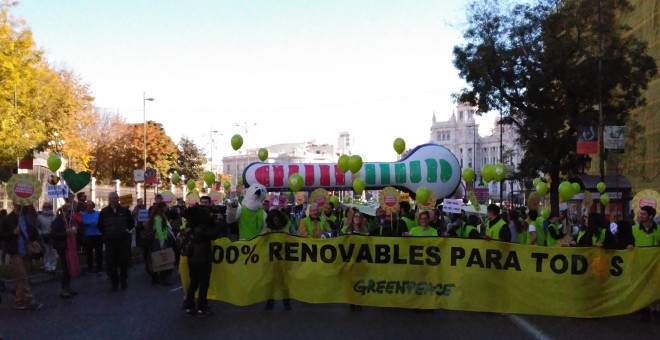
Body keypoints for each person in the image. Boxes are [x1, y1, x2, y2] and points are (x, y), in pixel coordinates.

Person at [182, 203, 222, 317]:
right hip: (203, 258)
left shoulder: (190, 226)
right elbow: (213, 235)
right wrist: (218, 224)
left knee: (193, 283)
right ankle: (202, 308)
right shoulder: (202, 227)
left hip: (192, 258)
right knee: (204, 283)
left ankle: (189, 306)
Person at [0, 204, 44, 310]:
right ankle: (30, 299)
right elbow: (2, 235)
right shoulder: (8, 219)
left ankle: (18, 299)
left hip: (27, 251)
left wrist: (40, 245)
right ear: (14, 204)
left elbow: (34, 233)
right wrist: (13, 233)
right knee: (23, 276)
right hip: (15, 251)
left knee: (24, 277)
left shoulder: (27, 217)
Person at [626, 206, 659, 322]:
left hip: (654, 265)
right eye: (640, 213)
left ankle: (655, 310)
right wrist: (629, 246)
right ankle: (644, 310)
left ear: (650, 216)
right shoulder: (634, 229)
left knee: (655, 287)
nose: (640, 216)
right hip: (639, 264)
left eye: (644, 214)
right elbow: (628, 242)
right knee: (641, 287)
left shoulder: (658, 230)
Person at [98, 192, 134, 291]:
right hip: (110, 242)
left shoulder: (124, 210)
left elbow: (131, 222)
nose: (114, 200)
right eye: (112, 198)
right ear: (109, 199)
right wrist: (105, 235)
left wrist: (127, 231)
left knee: (123, 262)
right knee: (111, 263)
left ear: (118, 199)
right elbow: (100, 225)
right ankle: (114, 282)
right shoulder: (104, 211)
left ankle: (123, 280)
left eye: (116, 198)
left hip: (123, 241)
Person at [263, 209, 292, 311]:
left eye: (277, 220)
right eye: (274, 220)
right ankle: (270, 302)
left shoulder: (287, 225)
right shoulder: (269, 228)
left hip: (284, 259)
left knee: (284, 281)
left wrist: (289, 235)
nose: (276, 222)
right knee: (271, 281)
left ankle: (286, 302)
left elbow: (294, 236)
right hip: (272, 259)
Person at [51, 204, 79, 298]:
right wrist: (65, 233)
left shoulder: (69, 220)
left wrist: (75, 230)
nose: (71, 213)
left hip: (70, 246)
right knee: (66, 268)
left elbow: (75, 227)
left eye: (71, 211)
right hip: (63, 247)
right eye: (68, 211)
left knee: (70, 267)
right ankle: (63, 288)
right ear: (63, 211)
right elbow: (54, 235)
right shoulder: (58, 221)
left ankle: (67, 286)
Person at [144, 202, 173, 285]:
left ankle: (155, 278)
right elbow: (159, 231)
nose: (167, 208)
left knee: (158, 259)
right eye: (165, 207)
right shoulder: (159, 217)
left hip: (160, 240)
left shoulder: (160, 216)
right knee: (162, 259)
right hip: (160, 240)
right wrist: (162, 243)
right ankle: (162, 279)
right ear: (162, 207)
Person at [81, 201, 103, 274]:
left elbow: (98, 222)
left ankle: (99, 269)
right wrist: (93, 223)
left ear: (93, 206)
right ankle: (90, 269)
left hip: (98, 235)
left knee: (98, 253)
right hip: (88, 236)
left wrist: (89, 223)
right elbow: (83, 222)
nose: (88, 207)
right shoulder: (83, 214)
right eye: (87, 205)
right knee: (89, 253)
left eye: (90, 205)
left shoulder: (98, 214)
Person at [36, 202, 57, 272]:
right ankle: (47, 266)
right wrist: (40, 232)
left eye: (49, 207)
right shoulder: (39, 217)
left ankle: (53, 266)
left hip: (53, 236)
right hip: (44, 236)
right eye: (45, 207)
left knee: (53, 251)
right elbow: (37, 227)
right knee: (46, 251)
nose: (47, 208)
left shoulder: (54, 216)